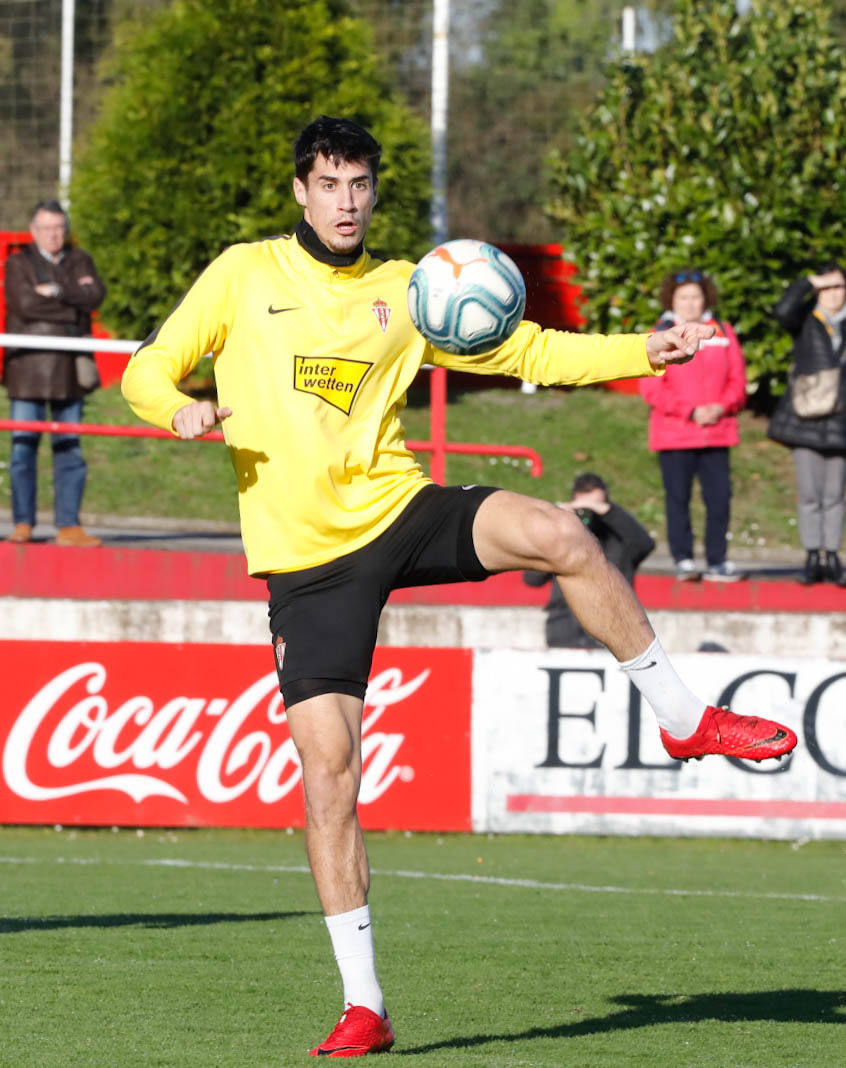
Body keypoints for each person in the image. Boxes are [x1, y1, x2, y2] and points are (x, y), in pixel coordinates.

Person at [121, 116, 797, 1058]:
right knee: (329, 779)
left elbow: (527, 351)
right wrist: (181, 409)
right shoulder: (244, 274)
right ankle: (365, 1005)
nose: (348, 202)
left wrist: (641, 352)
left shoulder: (413, 289)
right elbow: (146, 369)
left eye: (361, 184)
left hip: (399, 511)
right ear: (299, 192)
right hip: (307, 565)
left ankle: (683, 715)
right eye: (330, 184)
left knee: (562, 530)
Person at [3, 200, 106, 546]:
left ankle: (69, 526)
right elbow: (24, 304)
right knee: (22, 450)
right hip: (26, 368)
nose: (53, 235)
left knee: (70, 449)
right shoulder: (18, 263)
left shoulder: (81, 259)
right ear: (33, 231)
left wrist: (58, 293)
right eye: (46, 228)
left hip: (69, 370)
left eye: (59, 228)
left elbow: (95, 297)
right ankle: (22, 524)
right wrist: (73, 309)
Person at [639, 269, 747, 582]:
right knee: (677, 499)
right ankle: (683, 560)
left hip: (717, 432)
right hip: (675, 434)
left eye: (695, 296)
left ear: (706, 299)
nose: (690, 303)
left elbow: (738, 381)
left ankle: (717, 561)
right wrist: (690, 411)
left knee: (719, 500)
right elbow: (651, 387)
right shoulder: (658, 333)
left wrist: (720, 407)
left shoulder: (723, 332)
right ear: (672, 300)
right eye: (683, 297)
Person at [767, 264, 846, 586]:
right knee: (810, 493)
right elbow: (782, 310)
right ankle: (812, 555)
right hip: (806, 420)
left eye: (839, 287)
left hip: (841, 422)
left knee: (835, 494)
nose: (833, 294)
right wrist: (809, 283)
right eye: (827, 288)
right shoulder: (806, 319)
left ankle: (833, 555)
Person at [523, 472, 655, 647]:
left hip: (613, 633)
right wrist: (557, 529)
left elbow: (644, 543)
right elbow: (532, 579)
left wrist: (610, 512)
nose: (590, 515)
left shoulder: (621, 542)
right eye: (583, 508)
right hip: (564, 630)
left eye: (595, 507)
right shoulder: (563, 541)